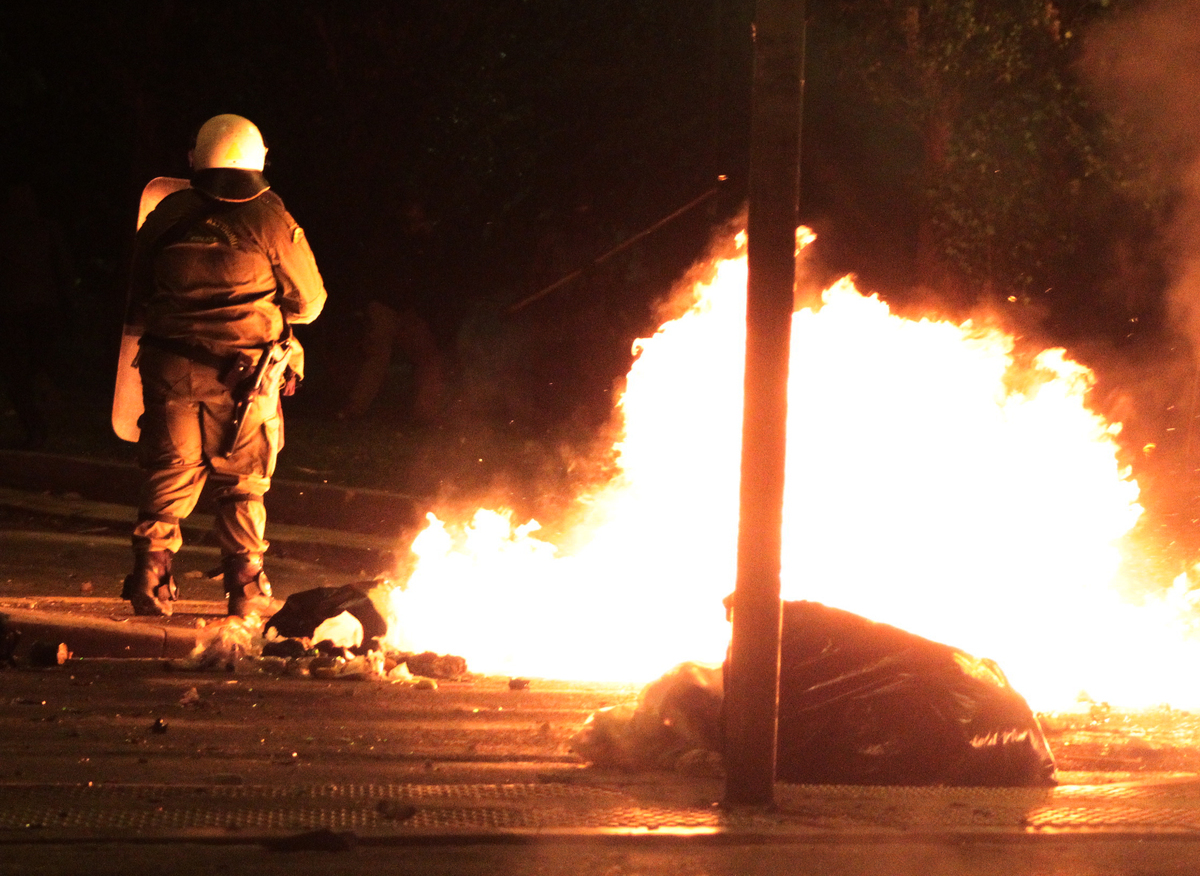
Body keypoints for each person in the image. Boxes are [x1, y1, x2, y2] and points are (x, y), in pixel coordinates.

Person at [122, 114, 327, 618]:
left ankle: (150, 579)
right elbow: (310, 302)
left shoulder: (168, 214)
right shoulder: (271, 218)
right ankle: (245, 587)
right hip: (245, 379)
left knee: (169, 469)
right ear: (259, 161)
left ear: (195, 159)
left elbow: (138, 291)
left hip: (169, 370)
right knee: (243, 480)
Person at [335, 199, 444, 424]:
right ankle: (353, 411)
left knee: (429, 357)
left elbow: (429, 273)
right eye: (413, 218)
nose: (418, 222)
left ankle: (426, 414)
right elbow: (377, 271)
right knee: (378, 358)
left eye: (420, 218)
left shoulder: (421, 241)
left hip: (408, 310)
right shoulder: (392, 239)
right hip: (384, 306)